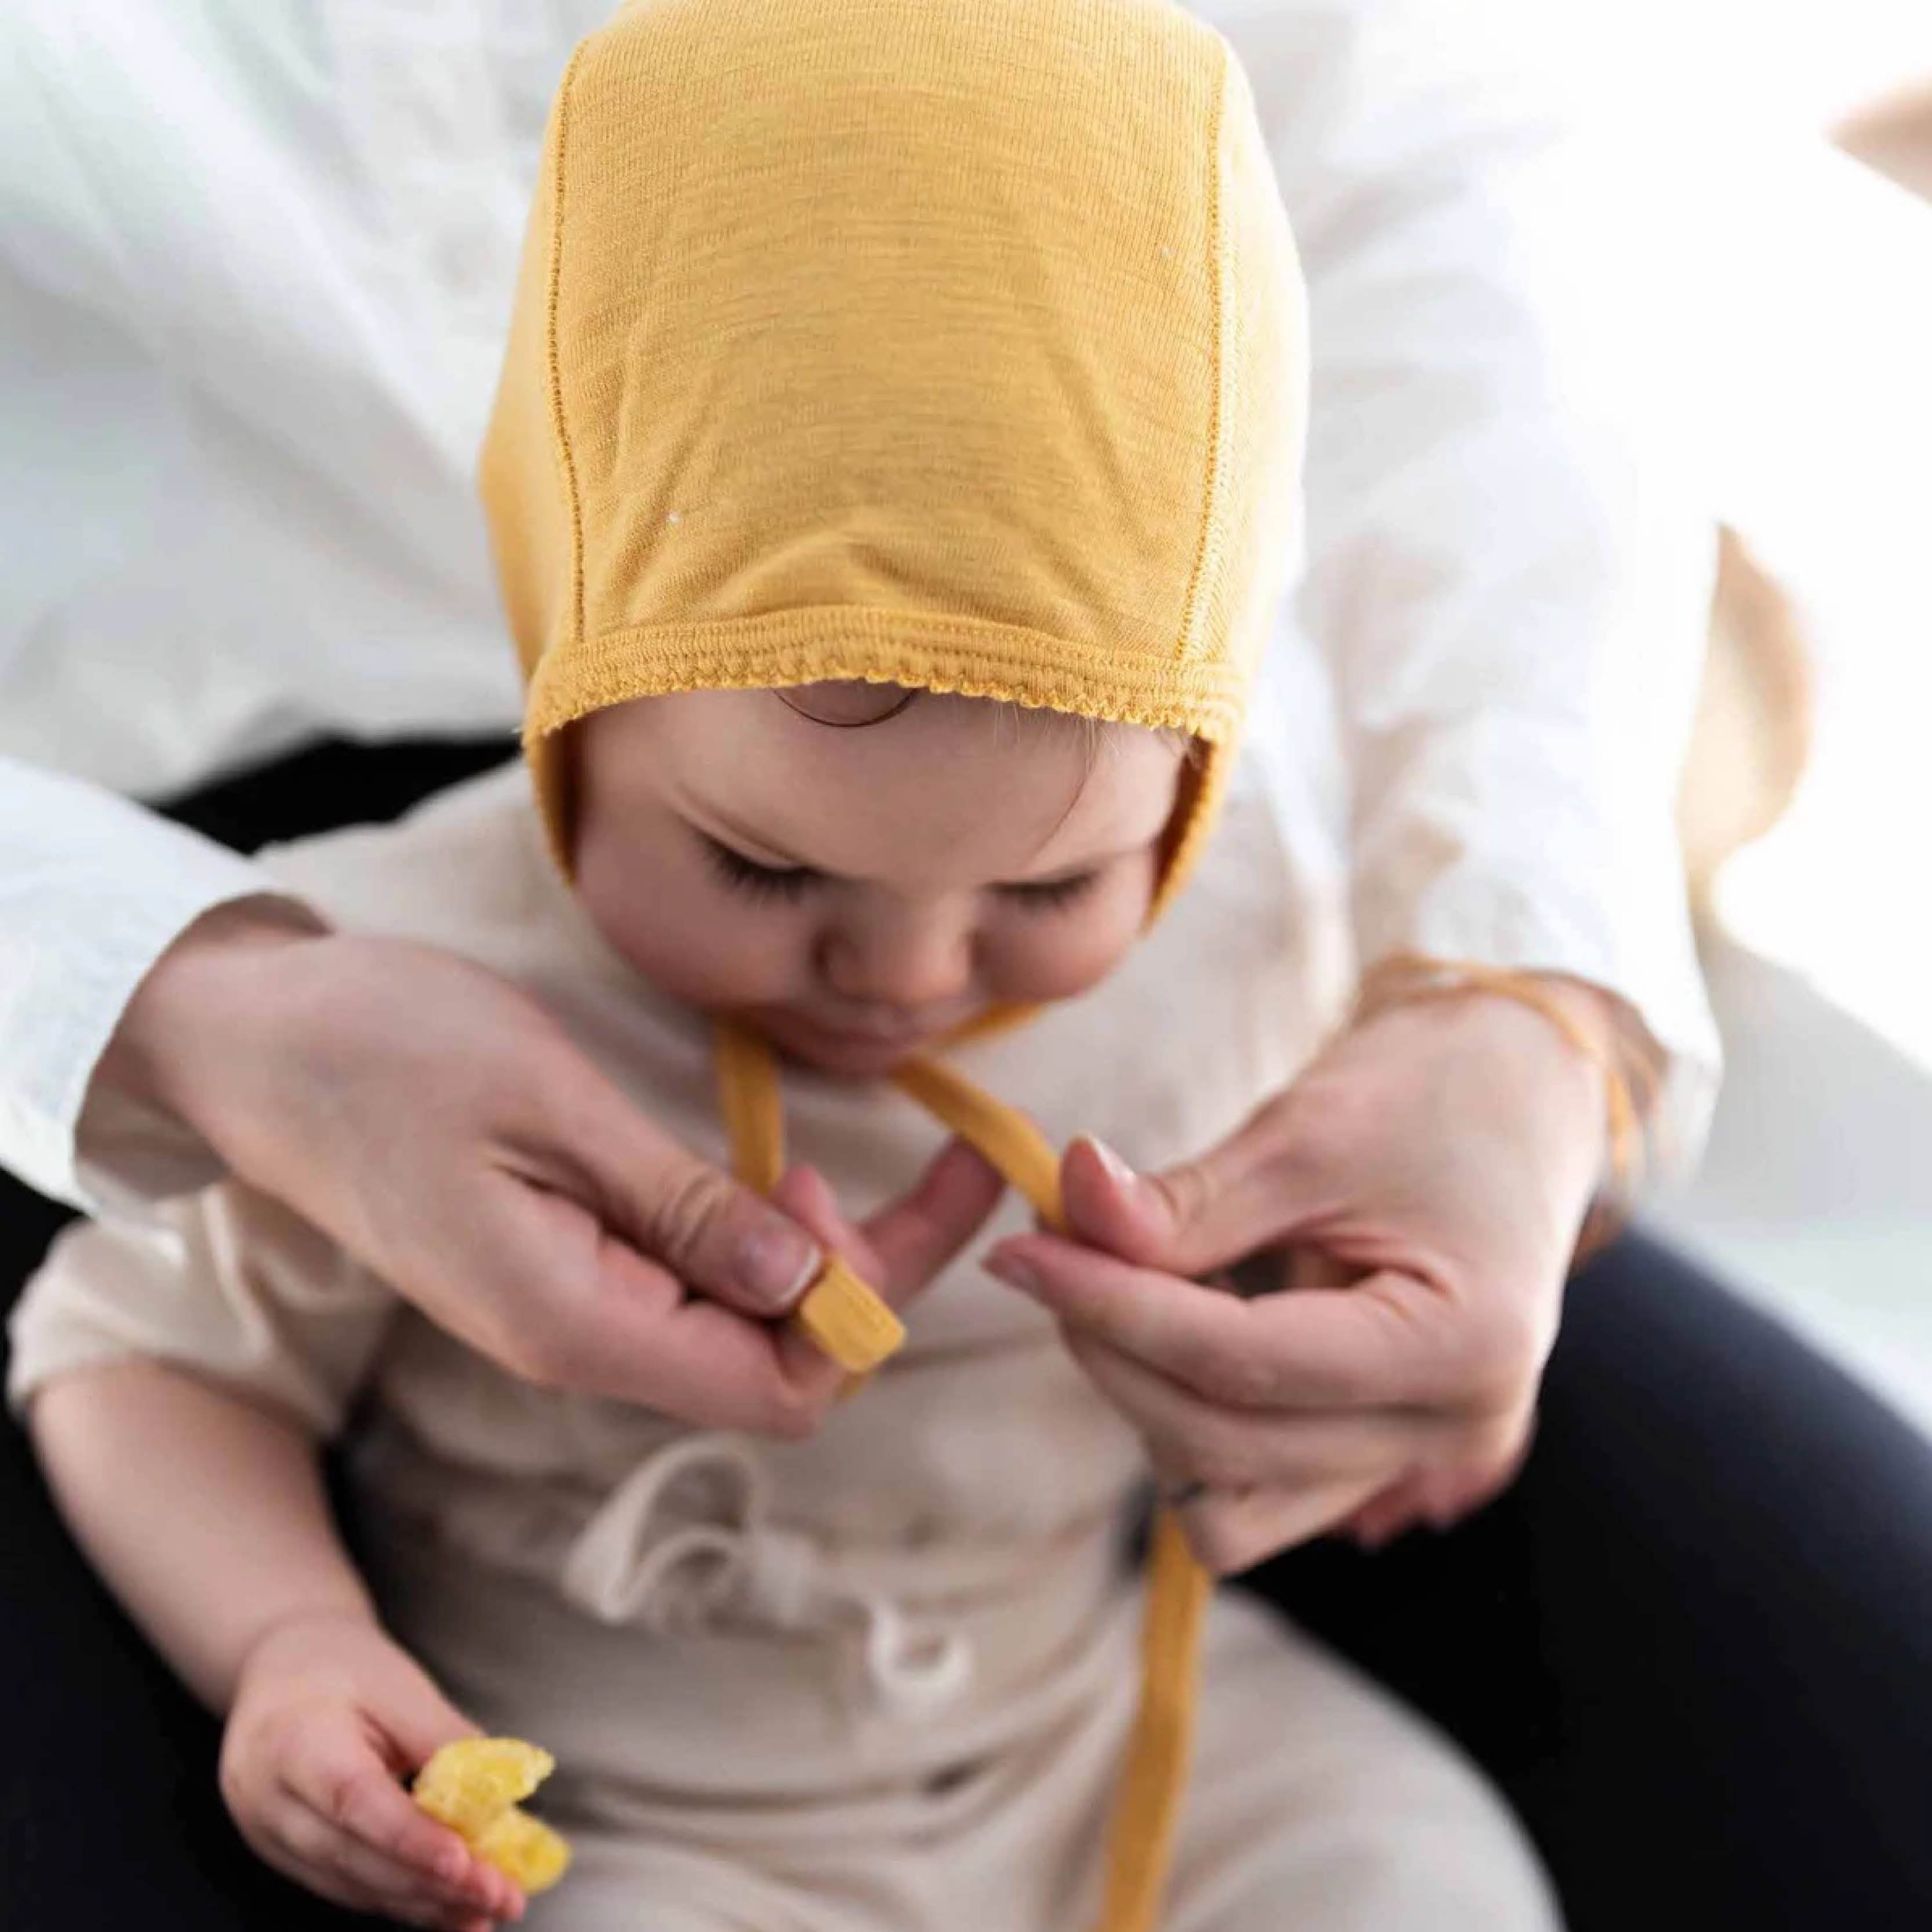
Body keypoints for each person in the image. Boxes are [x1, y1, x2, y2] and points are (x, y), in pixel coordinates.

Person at [9, 4, 1932, 1931]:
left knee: (1426, 1874)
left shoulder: (1262, 932)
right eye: (767, 867)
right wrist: (285, 1641)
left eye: (1058, 887)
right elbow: (136, 1357)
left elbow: (1486, 232)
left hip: (1113, 1732)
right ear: (565, 720)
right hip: (653, 1828)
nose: (903, 975)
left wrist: (1495, 1160)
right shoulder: (409, 967)